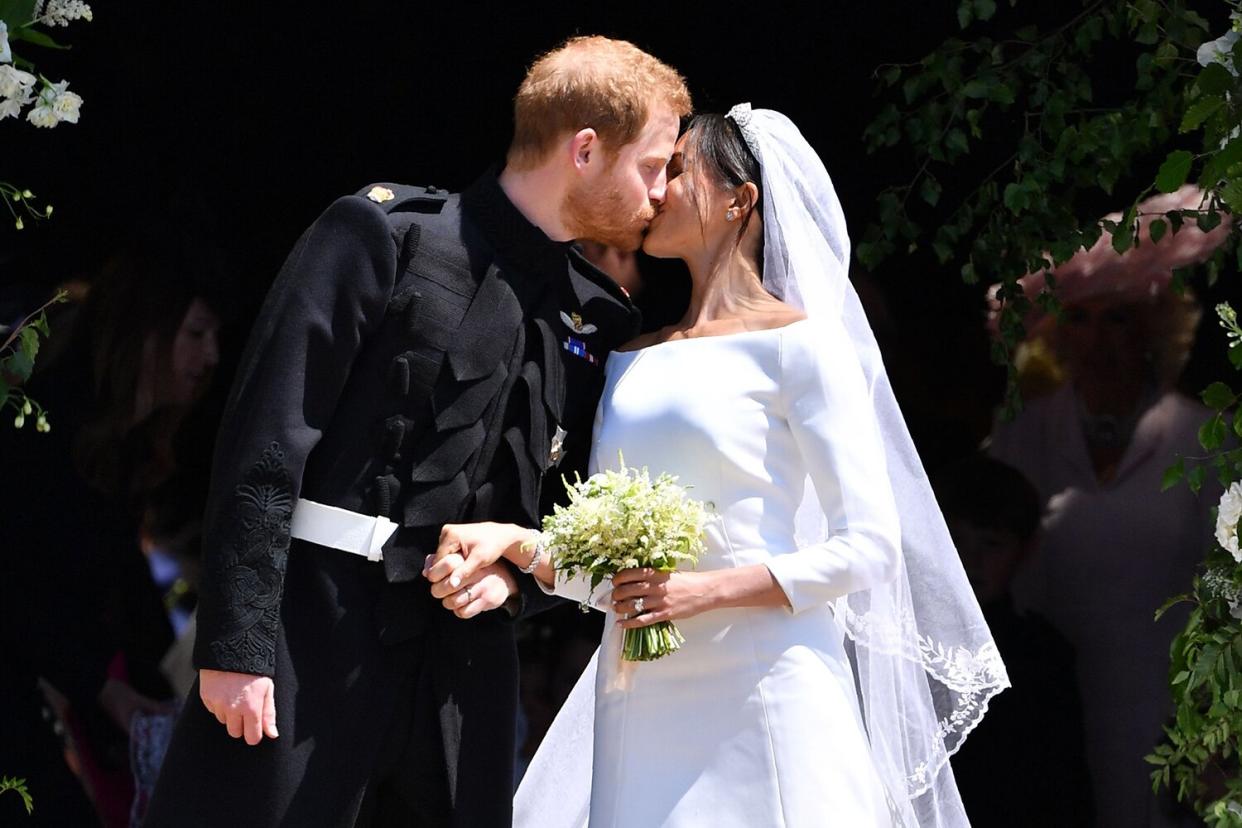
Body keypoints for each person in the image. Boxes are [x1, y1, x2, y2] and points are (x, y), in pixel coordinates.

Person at [143, 36, 691, 828]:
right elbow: (267, 439)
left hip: (463, 676)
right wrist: (235, 644)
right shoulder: (384, 235)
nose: (660, 193)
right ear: (584, 150)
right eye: (651, 166)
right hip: (310, 635)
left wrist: (517, 580)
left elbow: (571, 513)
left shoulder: (598, 319)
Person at [427, 106, 1009, 827]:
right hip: (639, 694)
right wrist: (520, 546)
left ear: (741, 200)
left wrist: (704, 591)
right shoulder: (629, 357)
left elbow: (868, 548)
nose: (658, 189)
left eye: (677, 169)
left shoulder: (803, 347)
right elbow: (619, 575)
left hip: (766, 684)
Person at [987, 187, 1225, 828]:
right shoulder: (1024, 433)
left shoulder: (1205, 439)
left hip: (1174, 708)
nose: (1098, 338)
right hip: (1047, 701)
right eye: (1082, 319)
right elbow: (984, 555)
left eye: (1116, 319)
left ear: (1149, 330)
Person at [0, 245, 223, 827]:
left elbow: (123, 585)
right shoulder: (49, 429)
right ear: (147, 332)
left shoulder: (122, 450)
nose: (211, 356)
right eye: (197, 333)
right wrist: (105, 689)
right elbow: (19, 587)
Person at [931, 454, 1094, 827]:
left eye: (991, 544)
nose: (969, 560)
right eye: (955, 540)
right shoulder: (903, 644)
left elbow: (1066, 787)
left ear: (1026, 550)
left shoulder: (1042, 655)